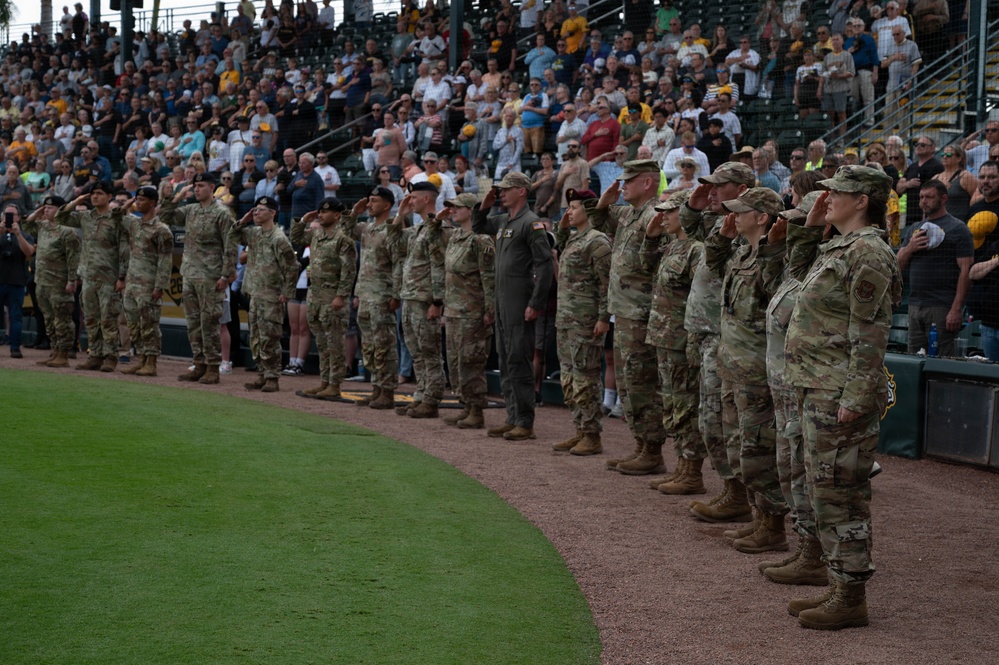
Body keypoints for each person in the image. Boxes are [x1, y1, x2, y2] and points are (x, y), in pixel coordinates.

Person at [784, 165, 902, 630]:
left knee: (842, 494)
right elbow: (795, 275)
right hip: (818, 386)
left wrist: (854, 395)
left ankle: (850, 595)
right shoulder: (840, 245)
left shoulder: (869, 252)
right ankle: (836, 583)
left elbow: (870, 333)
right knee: (823, 489)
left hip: (838, 393)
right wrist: (810, 227)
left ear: (863, 201)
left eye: (838, 192)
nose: (827, 197)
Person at [706, 186, 789, 553]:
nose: (734, 217)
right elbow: (712, 264)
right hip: (733, 365)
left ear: (763, 217)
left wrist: (770, 250)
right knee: (739, 448)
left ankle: (772, 526)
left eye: (742, 211)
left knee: (759, 451)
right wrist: (723, 240)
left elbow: (776, 296)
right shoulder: (741, 253)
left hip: (756, 369)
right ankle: (757, 519)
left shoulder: (776, 258)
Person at [681, 162, 756, 522]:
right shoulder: (723, 224)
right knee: (712, 418)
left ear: (741, 189)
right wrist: (696, 204)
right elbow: (691, 230)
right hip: (712, 334)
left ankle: (742, 494)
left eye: (719, 186)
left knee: (725, 420)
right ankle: (733, 490)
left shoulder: (752, 228)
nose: (711, 191)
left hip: (734, 338)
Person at [590, 160, 667, 475]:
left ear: (647, 182)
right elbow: (598, 219)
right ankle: (640, 446)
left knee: (642, 384)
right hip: (623, 313)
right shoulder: (629, 213)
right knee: (628, 383)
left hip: (640, 313)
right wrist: (603, 202)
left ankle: (652, 450)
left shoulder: (654, 216)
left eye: (629, 181)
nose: (622, 186)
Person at [472, 172, 555, 440]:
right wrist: (484, 205)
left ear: (521, 191)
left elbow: (544, 265)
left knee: (519, 358)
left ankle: (525, 420)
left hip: (520, 298)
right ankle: (512, 416)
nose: (501, 194)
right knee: (506, 359)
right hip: (502, 299)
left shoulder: (530, 223)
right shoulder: (504, 221)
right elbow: (477, 225)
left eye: (506, 189)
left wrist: (536, 303)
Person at [158, 172, 238, 384]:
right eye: (195, 186)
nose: (197, 189)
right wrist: (178, 196)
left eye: (201, 185)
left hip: (211, 276)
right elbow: (164, 216)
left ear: (212, 187)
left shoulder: (222, 213)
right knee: (193, 322)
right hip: (190, 274)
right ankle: (199, 363)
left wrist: (226, 275)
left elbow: (230, 246)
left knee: (210, 322)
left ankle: (213, 366)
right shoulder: (191, 209)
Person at [552, 188, 612, 455]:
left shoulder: (597, 241)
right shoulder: (576, 239)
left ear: (588, 209)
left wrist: (603, 318)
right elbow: (559, 247)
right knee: (569, 378)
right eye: (568, 207)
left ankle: (592, 434)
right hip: (566, 320)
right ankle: (579, 429)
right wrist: (563, 227)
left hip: (586, 321)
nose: (569, 211)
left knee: (586, 378)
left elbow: (606, 284)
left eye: (574, 207)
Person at [340, 188, 404, 409]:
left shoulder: (393, 229)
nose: (370, 205)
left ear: (387, 205)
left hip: (383, 295)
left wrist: (396, 295)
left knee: (384, 345)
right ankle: (376, 388)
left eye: (374, 201)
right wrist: (354, 213)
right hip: (366, 294)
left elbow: (398, 264)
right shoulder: (368, 228)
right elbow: (345, 229)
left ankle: (387, 391)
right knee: (369, 346)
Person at [436, 193, 496, 429]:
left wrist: (489, 310)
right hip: (454, 310)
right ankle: (465, 404)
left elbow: (489, 278)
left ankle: (476, 410)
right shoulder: (456, 236)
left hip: (473, 311)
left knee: (471, 361)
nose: (452, 211)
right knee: (456, 361)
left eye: (457, 207)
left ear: (471, 210)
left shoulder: (480, 240)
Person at [55, 182, 128, 372]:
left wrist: (122, 276)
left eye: (99, 193)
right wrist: (76, 200)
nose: (95, 197)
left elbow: (123, 249)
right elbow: (60, 217)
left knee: (108, 319)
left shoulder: (116, 219)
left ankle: (110, 356)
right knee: (91, 319)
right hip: (88, 276)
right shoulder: (85, 217)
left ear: (109, 196)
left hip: (109, 278)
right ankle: (95, 355)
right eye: (92, 194)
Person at [897, 180, 973, 356]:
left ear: (943, 198)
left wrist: (956, 309)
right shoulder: (915, 229)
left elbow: (966, 271)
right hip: (915, 305)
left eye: (929, 197)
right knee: (913, 362)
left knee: (941, 361)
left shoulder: (958, 228)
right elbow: (897, 265)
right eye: (921, 197)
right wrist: (910, 248)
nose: (924, 201)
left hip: (942, 306)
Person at [230, 195, 298, 393]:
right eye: (255, 209)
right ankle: (262, 373)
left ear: (272, 213)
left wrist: (287, 292)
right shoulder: (254, 233)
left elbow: (292, 267)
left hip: (271, 295)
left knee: (270, 337)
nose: (256, 212)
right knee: (256, 337)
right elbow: (232, 236)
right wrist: (243, 220)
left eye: (261, 210)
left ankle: (272, 377)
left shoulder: (279, 239)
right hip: (255, 293)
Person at [291, 198, 357, 400]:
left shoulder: (343, 238)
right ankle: (324, 381)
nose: (321, 214)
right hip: (316, 294)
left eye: (325, 212)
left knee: (334, 342)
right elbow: (296, 237)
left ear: (337, 215)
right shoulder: (317, 234)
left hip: (332, 295)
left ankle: (335, 383)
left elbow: (348, 269)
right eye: (320, 211)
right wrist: (303, 220)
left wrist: (341, 295)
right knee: (321, 341)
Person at [394, 182, 446, 418]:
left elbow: (438, 265)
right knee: (416, 350)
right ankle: (421, 394)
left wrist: (437, 301)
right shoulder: (417, 229)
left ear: (427, 199)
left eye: (413, 197)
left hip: (425, 299)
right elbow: (392, 242)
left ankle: (432, 399)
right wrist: (400, 215)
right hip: (410, 297)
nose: (410, 201)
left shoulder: (436, 227)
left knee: (429, 352)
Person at [117, 186, 174, 377]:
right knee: (133, 324)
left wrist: (160, 286)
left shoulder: (162, 230)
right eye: (136, 199)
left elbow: (165, 260)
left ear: (152, 202)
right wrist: (128, 203)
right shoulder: (134, 224)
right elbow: (113, 217)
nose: (137, 203)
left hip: (149, 284)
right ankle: (141, 359)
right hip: (132, 283)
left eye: (141, 200)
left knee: (149, 324)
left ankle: (151, 362)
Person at [22, 196, 79, 367]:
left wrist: (72, 280)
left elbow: (73, 259)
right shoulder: (43, 226)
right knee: (48, 318)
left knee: (62, 320)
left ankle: (64, 353)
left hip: (60, 282)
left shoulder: (68, 231)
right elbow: (26, 225)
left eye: (51, 208)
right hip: (42, 281)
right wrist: (39, 211)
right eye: (45, 208)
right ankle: (54, 351)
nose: (46, 210)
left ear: (61, 210)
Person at [0, 203, 36, 359]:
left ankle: (15, 347)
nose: (9, 218)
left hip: (17, 281)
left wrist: (18, 234)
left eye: (12, 215)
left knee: (16, 316)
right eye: (6, 215)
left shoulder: (25, 234)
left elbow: (29, 252)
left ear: (19, 218)